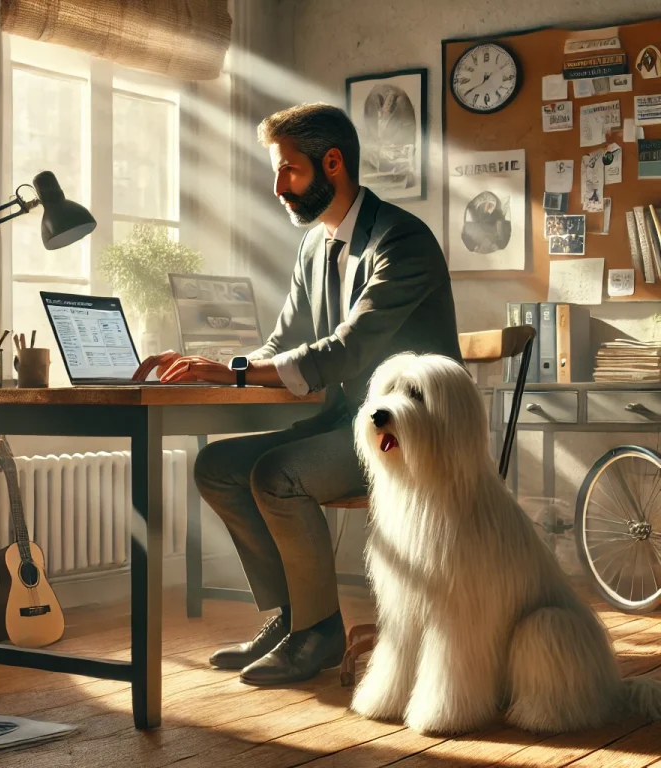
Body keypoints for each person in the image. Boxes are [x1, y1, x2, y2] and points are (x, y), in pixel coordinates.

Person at [132, 103, 463, 686]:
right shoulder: (315, 247)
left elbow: (345, 350)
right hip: (347, 423)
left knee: (277, 473)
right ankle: (293, 620)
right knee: (217, 466)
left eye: (289, 170)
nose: (278, 186)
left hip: (410, 432)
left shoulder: (402, 241)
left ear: (331, 163)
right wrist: (209, 365)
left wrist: (227, 376)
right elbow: (285, 342)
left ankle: (320, 632)